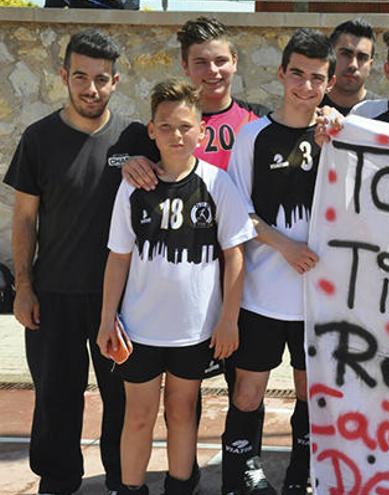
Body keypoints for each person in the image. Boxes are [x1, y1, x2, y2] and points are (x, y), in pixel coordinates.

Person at [4, 29, 158, 495]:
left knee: (120, 396)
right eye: (80, 77)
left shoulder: (135, 138)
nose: (91, 88)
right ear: (63, 76)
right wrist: (23, 287)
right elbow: (25, 218)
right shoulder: (39, 138)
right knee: (55, 397)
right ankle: (57, 479)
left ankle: (119, 478)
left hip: (119, 298)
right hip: (53, 295)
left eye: (101, 79)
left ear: (115, 80)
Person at [98, 79, 254, 495]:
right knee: (138, 416)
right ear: (151, 131)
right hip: (139, 329)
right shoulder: (134, 186)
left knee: (183, 412)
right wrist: (106, 318)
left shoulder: (218, 184)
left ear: (202, 132)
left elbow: (235, 256)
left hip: (195, 330)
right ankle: (131, 488)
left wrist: (229, 320)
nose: (176, 135)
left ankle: (181, 486)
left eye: (186, 126)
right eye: (166, 126)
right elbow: (118, 257)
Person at [223, 28, 335, 495]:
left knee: (311, 392)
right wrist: (284, 245)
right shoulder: (254, 135)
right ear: (281, 73)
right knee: (249, 391)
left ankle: (301, 474)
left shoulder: (338, 134)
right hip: (262, 295)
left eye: (316, 78)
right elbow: (237, 212)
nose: (305, 87)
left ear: (329, 83)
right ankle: (241, 474)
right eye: (297, 74)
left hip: (318, 300)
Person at [123, 17, 270, 189]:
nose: (213, 71)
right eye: (201, 62)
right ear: (185, 66)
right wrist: (132, 164)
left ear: (234, 62)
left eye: (220, 61)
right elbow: (139, 166)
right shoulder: (166, 129)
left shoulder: (260, 119)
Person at [321, 18, 378, 116]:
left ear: (370, 65)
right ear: (330, 57)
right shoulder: (310, 110)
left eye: (362, 58)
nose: (353, 65)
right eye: (346, 54)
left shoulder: (382, 115)